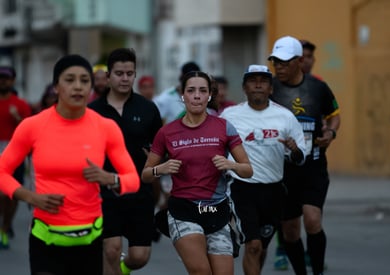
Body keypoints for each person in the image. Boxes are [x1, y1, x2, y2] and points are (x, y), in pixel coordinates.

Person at [0, 54, 140, 274]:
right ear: (56, 86)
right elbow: (2, 172)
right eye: (70, 80)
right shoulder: (33, 126)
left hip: (89, 239)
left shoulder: (106, 127)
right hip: (45, 238)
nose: (78, 87)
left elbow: (132, 179)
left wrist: (110, 179)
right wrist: (30, 197)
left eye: (84, 80)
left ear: (91, 86)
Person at [141, 70, 253, 275]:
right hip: (184, 211)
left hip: (216, 211)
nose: (197, 95)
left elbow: (248, 170)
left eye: (202, 91)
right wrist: (161, 168)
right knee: (201, 271)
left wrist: (231, 165)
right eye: (191, 90)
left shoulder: (224, 127)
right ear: (183, 96)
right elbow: (146, 174)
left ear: (209, 95)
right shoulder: (167, 132)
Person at [220, 65, 306, 275]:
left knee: (262, 247)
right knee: (253, 245)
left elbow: (300, 157)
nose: (258, 84)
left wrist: (294, 150)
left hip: (273, 190)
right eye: (252, 80)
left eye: (264, 81)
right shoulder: (229, 115)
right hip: (241, 188)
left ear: (271, 88)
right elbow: (215, 147)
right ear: (244, 87)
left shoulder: (285, 117)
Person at [268, 35, 341, 275]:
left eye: (284, 62)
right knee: (289, 230)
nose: (279, 67)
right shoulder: (269, 89)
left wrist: (330, 133)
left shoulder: (318, 87)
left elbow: (335, 115)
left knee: (312, 219)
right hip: (283, 170)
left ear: (299, 61)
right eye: (275, 62)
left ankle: (317, 270)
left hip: (313, 167)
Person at [88, 48, 163, 275]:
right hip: (104, 192)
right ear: (108, 75)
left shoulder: (148, 109)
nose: (125, 78)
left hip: (140, 191)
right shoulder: (92, 111)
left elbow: (160, 149)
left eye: (129, 73)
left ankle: (123, 268)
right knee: (111, 249)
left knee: (140, 257)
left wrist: (156, 161)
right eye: (119, 73)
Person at [0, 65, 32, 249]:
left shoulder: (20, 104)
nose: (3, 81)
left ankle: (5, 226)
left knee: (12, 194)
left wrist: (17, 117)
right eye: (0, 77)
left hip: (15, 151)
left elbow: (28, 130)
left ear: (12, 81)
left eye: (6, 78)